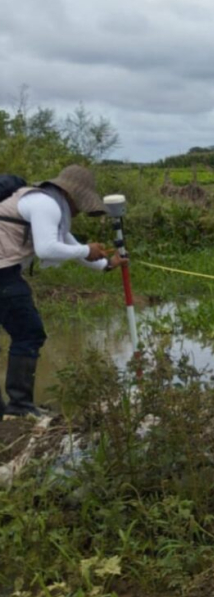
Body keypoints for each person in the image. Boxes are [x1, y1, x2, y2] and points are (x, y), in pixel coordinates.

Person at [0, 164, 124, 418]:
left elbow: (68, 242)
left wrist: (105, 265)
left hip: (5, 272)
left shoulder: (39, 200)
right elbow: (48, 249)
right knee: (29, 333)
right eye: (81, 203)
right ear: (72, 194)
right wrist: (87, 250)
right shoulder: (47, 205)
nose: (80, 210)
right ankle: (20, 407)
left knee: (25, 333)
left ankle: (9, 409)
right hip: (3, 275)